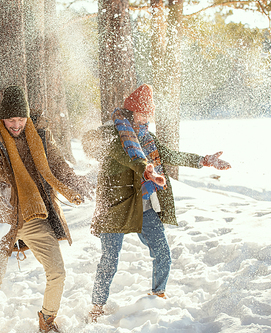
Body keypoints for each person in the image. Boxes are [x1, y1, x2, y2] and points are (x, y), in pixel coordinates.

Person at [81, 84, 231, 322]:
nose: (145, 118)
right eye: (141, 114)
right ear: (130, 113)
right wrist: (146, 170)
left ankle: (157, 295)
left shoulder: (148, 139)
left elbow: (171, 155)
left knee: (163, 253)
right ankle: (97, 306)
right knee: (109, 261)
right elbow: (130, 158)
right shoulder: (113, 135)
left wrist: (204, 160)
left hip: (145, 205)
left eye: (147, 114)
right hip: (116, 208)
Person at [0, 85, 94, 333]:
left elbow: (57, 163)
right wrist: (3, 193)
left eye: (21, 119)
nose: (16, 125)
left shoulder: (38, 133)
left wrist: (75, 182)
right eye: (11, 120)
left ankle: (47, 320)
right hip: (2, 218)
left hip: (32, 215)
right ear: (2, 117)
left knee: (57, 272)